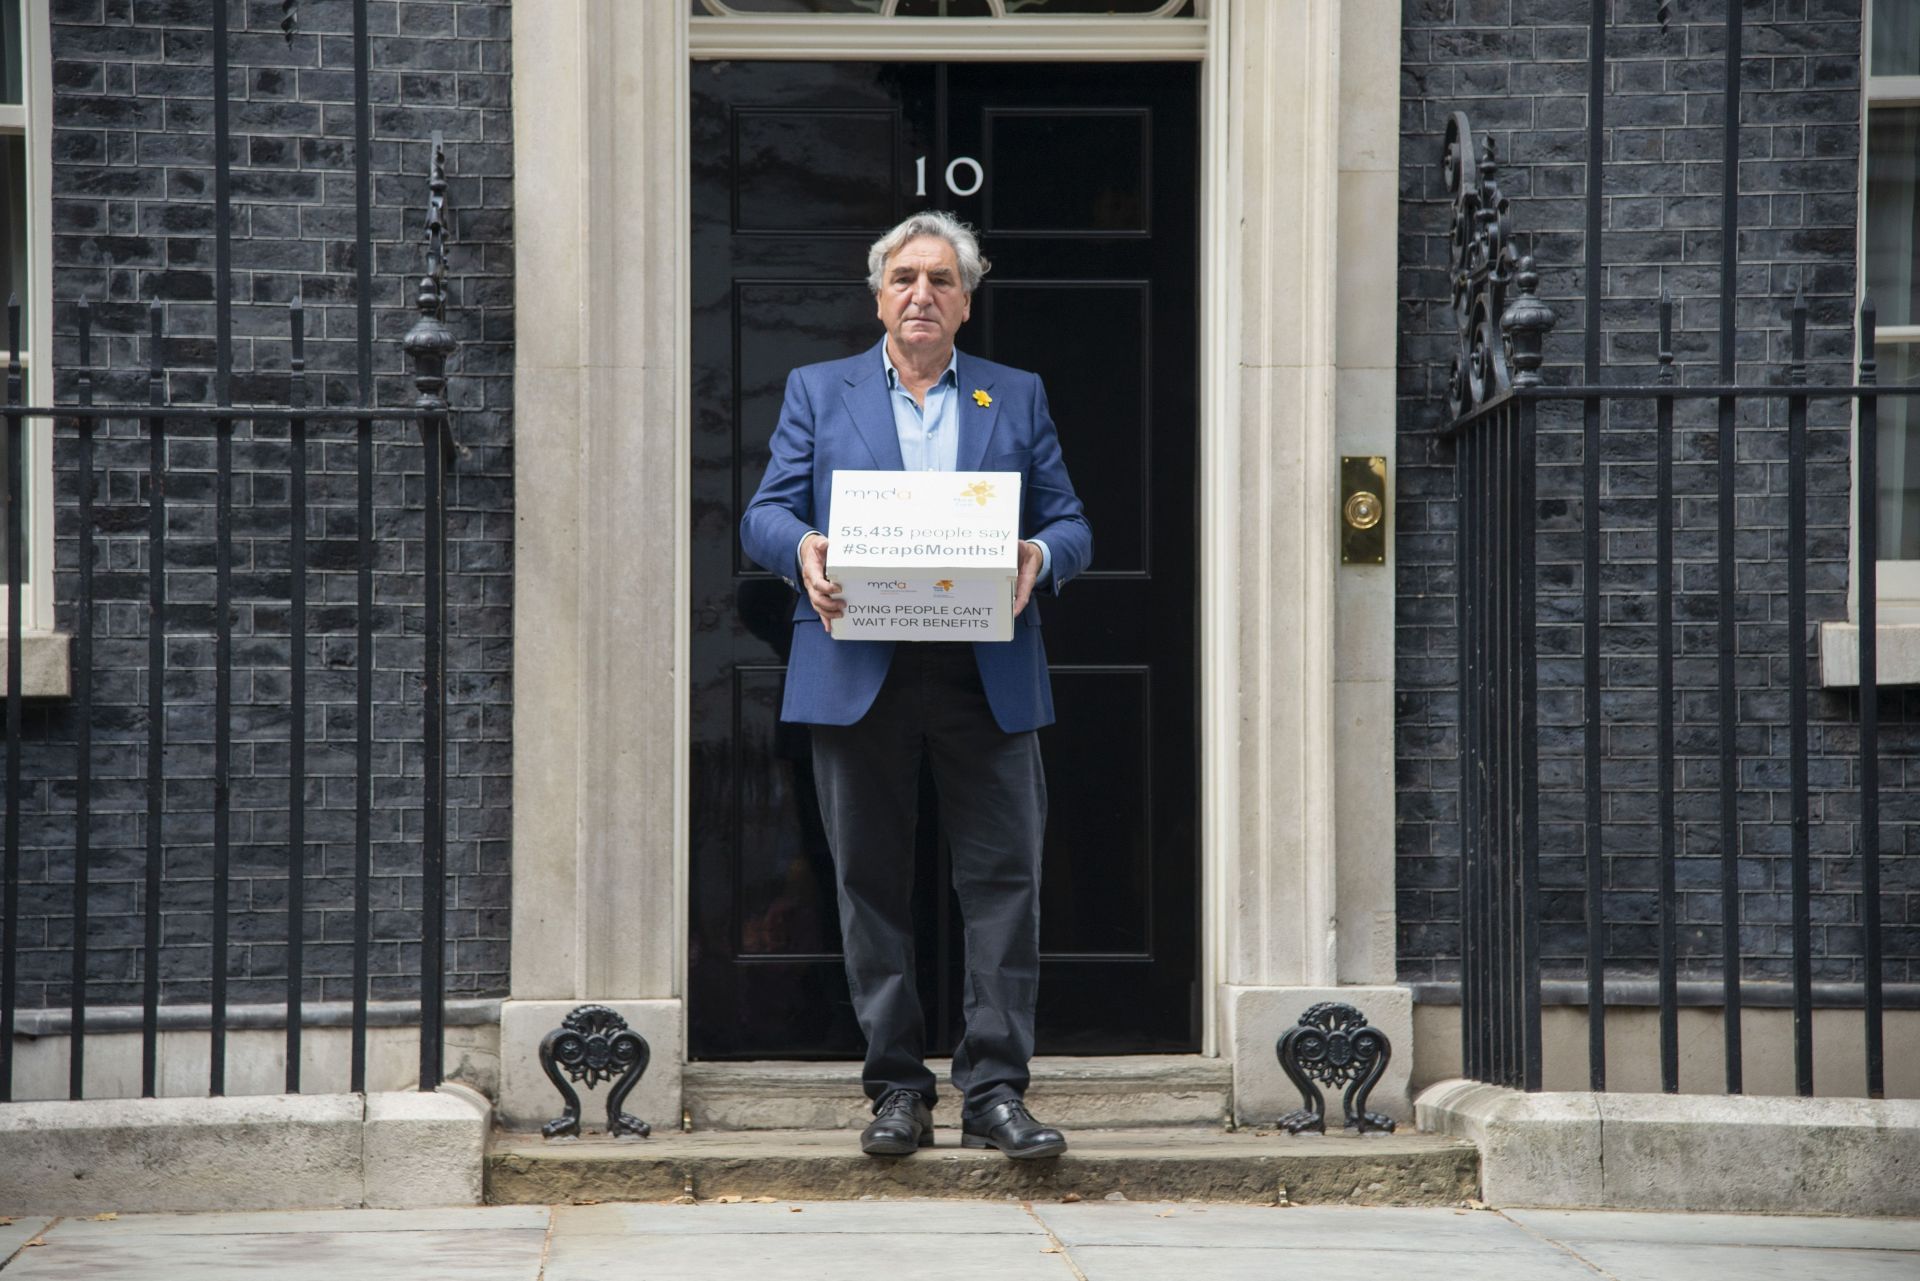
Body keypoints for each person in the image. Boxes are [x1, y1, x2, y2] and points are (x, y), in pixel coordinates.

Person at [740, 210, 1093, 1160]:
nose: (921, 295)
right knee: (868, 884)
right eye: (905, 279)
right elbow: (764, 512)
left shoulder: (1013, 397)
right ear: (879, 296)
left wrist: (1037, 554)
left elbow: (1072, 523)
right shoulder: (820, 391)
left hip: (987, 666)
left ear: (966, 302)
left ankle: (996, 1090)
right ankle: (896, 1088)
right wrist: (804, 546)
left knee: (1004, 884)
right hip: (860, 666)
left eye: (941, 280)